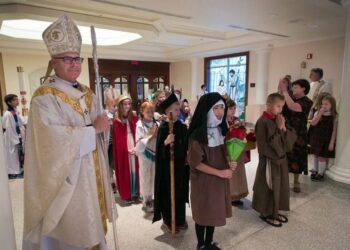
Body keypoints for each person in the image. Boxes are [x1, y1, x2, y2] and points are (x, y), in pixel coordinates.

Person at [23, 15, 114, 249]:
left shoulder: (88, 93)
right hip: (68, 179)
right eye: (67, 59)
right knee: (73, 235)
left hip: (91, 173)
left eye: (77, 59)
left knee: (94, 227)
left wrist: (103, 128)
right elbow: (50, 143)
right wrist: (93, 129)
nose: (74, 64)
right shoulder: (44, 97)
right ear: (53, 62)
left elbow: (99, 136)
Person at [188, 92, 237, 250]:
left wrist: (230, 162)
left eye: (222, 108)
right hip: (203, 182)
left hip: (217, 182)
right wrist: (220, 173)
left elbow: (222, 154)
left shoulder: (220, 130)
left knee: (214, 211)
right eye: (216, 108)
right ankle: (201, 245)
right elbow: (196, 164)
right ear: (207, 110)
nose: (220, 112)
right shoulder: (197, 135)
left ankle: (209, 242)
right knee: (203, 213)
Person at [252, 93, 297, 228]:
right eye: (278, 106)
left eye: (282, 107)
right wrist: (278, 128)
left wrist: (283, 127)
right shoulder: (262, 122)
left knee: (279, 186)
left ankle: (275, 211)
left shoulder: (278, 119)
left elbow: (289, 142)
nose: (280, 109)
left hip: (281, 160)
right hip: (269, 161)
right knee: (269, 187)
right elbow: (265, 146)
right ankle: (265, 213)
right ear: (268, 105)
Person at [153, 93, 189, 233]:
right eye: (175, 109)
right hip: (167, 169)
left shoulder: (180, 126)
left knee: (180, 192)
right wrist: (166, 142)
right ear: (167, 112)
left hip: (180, 167)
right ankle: (168, 220)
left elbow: (185, 144)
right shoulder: (163, 128)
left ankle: (180, 218)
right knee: (169, 194)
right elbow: (159, 152)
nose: (178, 112)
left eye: (178, 109)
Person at [279, 79, 313, 193]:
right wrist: (281, 89)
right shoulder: (290, 98)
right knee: (285, 155)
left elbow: (293, 107)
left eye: (296, 87)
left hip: (299, 133)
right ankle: (284, 180)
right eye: (292, 87)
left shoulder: (307, 101)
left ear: (303, 88)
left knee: (297, 156)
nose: (293, 89)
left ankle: (296, 181)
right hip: (287, 131)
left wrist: (285, 91)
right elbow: (281, 106)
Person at [113, 94, 140, 204]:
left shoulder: (133, 117)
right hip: (123, 148)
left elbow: (138, 132)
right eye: (125, 104)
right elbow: (117, 140)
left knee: (134, 168)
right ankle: (127, 193)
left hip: (133, 143)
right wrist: (125, 149)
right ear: (120, 105)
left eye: (129, 104)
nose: (127, 106)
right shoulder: (116, 121)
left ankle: (135, 192)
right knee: (126, 169)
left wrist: (136, 146)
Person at [225, 98, 249, 207]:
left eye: (234, 108)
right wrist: (231, 129)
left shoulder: (236, 119)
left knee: (238, 173)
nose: (233, 111)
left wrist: (242, 127)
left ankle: (237, 195)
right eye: (230, 108)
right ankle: (229, 196)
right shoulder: (222, 121)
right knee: (231, 174)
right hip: (228, 151)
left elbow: (242, 132)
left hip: (237, 150)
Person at [135, 101, 158, 213]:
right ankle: (146, 200)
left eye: (152, 111)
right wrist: (151, 135)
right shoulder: (140, 125)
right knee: (146, 176)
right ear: (142, 112)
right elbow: (139, 142)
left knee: (154, 175)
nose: (150, 113)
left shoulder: (155, 123)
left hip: (154, 152)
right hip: (145, 154)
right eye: (147, 111)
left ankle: (152, 198)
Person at [308, 95, 337, 181]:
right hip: (317, 137)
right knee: (316, 155)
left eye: (326, 104)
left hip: (326, 139)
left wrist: (332, 142)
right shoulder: (318, 113)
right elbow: (313, 123)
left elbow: (334, 131)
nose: (323, 106)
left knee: (322, 157)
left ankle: (321, 173)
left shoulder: (334, 116)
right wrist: (320, 113)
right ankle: (315, 170)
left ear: (332, 105)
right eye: (322, 104)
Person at [2, 94, 25, 179]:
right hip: (11, 138)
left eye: (17, 99)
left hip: (17, 136)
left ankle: (18, 170)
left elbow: (21, 122)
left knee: (17, 155)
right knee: (12, 156)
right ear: (9, 102)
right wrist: (16, 140)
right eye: (15, 100)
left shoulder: (15, 111)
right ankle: (13, 172)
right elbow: (8, 129)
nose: (17, 101)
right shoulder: (8, 114)